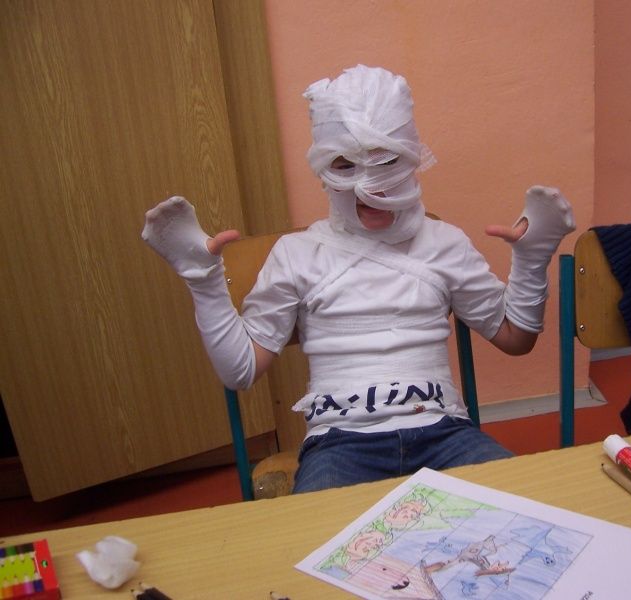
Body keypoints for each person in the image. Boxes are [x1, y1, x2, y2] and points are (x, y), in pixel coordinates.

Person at [142, 65, 575, 493]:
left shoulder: (444, 242)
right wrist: (202, 279)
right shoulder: (297, 254)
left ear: (410, 160)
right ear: (323, 171)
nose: (372, 189)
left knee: (526, 508)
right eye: (346, 166)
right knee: (317, 533)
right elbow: (241, 371)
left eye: (386, 162)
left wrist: (531, 259)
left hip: (444, 432)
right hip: (340, 445)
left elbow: (516, 338)